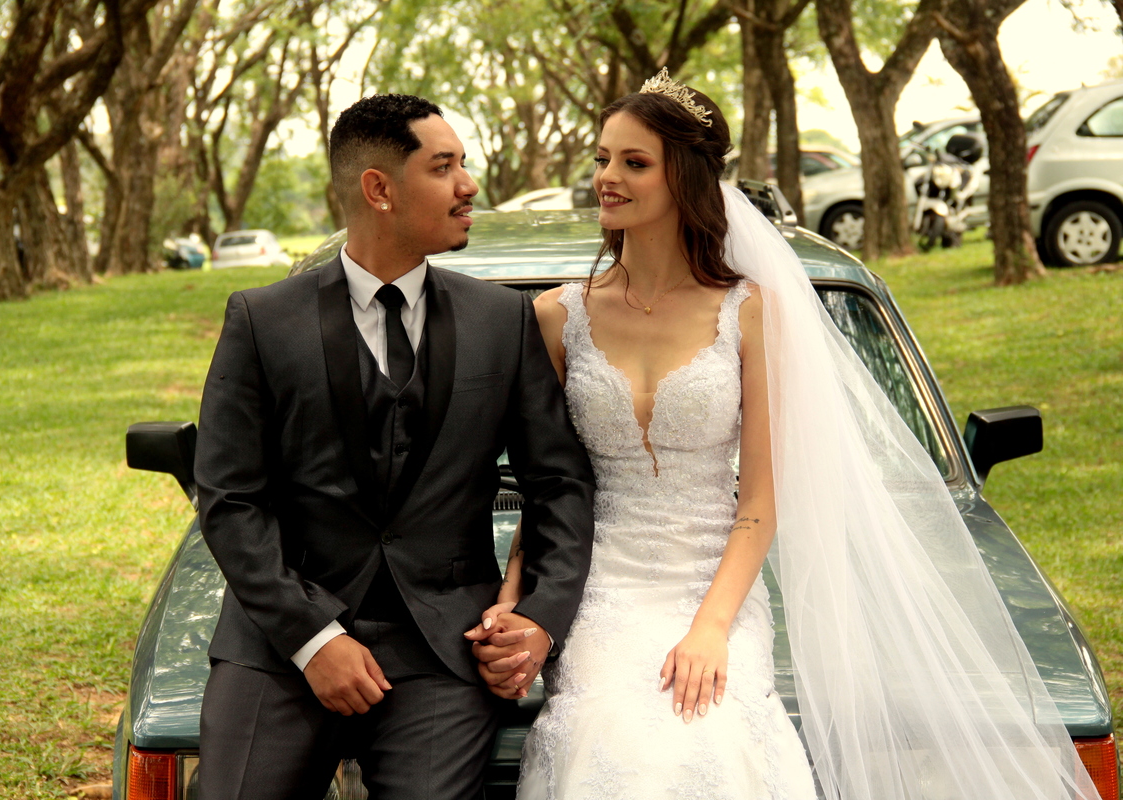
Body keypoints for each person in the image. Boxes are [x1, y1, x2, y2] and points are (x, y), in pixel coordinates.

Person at [470, 70, 1100, 800]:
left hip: (715, 580)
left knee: (716, 732)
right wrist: (516, 598)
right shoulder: (556, 317)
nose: (606, 178)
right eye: (604, 158)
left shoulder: (750, 312)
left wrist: (710, 628)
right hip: (599, 587)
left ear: (686, 180)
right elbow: (553, 487)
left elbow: (759, 505)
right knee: (603, 733)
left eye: (633, 162)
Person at [193, 94, 595, 800]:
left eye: (463, 165)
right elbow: (230, 501)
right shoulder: (261, 320)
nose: (469, 185)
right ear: (379, 189)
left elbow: (559, 483)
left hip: (443, 651)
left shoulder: (501, 322)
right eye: (444, 167)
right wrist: (314, 639)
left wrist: (539, 615)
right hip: (281, 643)